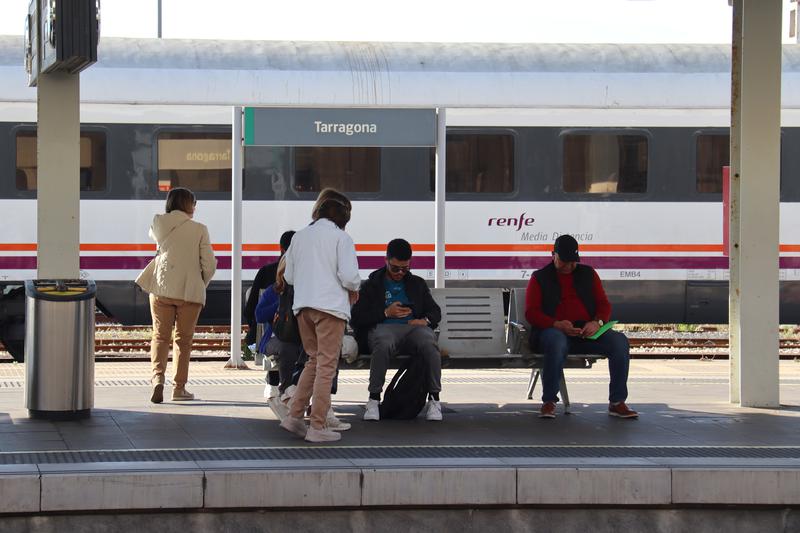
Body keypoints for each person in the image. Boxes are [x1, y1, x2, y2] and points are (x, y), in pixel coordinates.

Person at [279, 188, 361, 443]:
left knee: (313, 362)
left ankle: (293, 417)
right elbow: (349, 277)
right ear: (342, 220)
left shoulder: (300, 237)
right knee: (326, 365)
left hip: (303, 308)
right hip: (330, 309)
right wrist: (354, 289)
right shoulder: (341, 239)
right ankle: (317, 425)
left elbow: (289, 276)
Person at [525, 234, 637, 419]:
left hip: (585, 333)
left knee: (619, 342)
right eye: (564, 262)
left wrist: (597, 322)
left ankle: (617, 402)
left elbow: (603, 304)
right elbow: (531, 313)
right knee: (556, 341)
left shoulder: (589, 274)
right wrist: (556, 324)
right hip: (553, 332)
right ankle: (549, 401)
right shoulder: (539, 278)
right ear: (553, 255)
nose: (569, 266)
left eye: (573, 262)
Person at [135, 187, 216, 404]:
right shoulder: (199, 229)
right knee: (183, 340)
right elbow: (209, 264)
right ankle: (179, 389)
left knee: (160, 336)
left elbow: (155, 236)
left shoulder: (159, 223)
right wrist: (201, 282)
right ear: (190, 205)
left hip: (161, 288)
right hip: (189, 291)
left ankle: (157, 379)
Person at [351, 238, 443, 421]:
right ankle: (374, 399)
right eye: (395, 268)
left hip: (412, 330)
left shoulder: (417, 284)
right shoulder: (372, 285)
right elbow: (358, 317)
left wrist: (424, 320)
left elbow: (435, 312)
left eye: (405, 268)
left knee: (429, 343)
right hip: (383, 329)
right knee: (384, 343)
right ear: (386, 261)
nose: (400, 273)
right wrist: (386, 312)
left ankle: (434, 399)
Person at [255, 257, 350, 432]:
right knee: (288, 347)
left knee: (326, 353)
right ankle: (287, 389)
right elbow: (259, 315)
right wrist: (282, 305)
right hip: (278, 338)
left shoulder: (305, 293)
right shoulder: (272, 292)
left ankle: (323, 405)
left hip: (302, 338)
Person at [243, 230, 296, 347]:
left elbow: (250, 310)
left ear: (281, 249)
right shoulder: (305, 275)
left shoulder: (266, 272)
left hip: (273, 336)